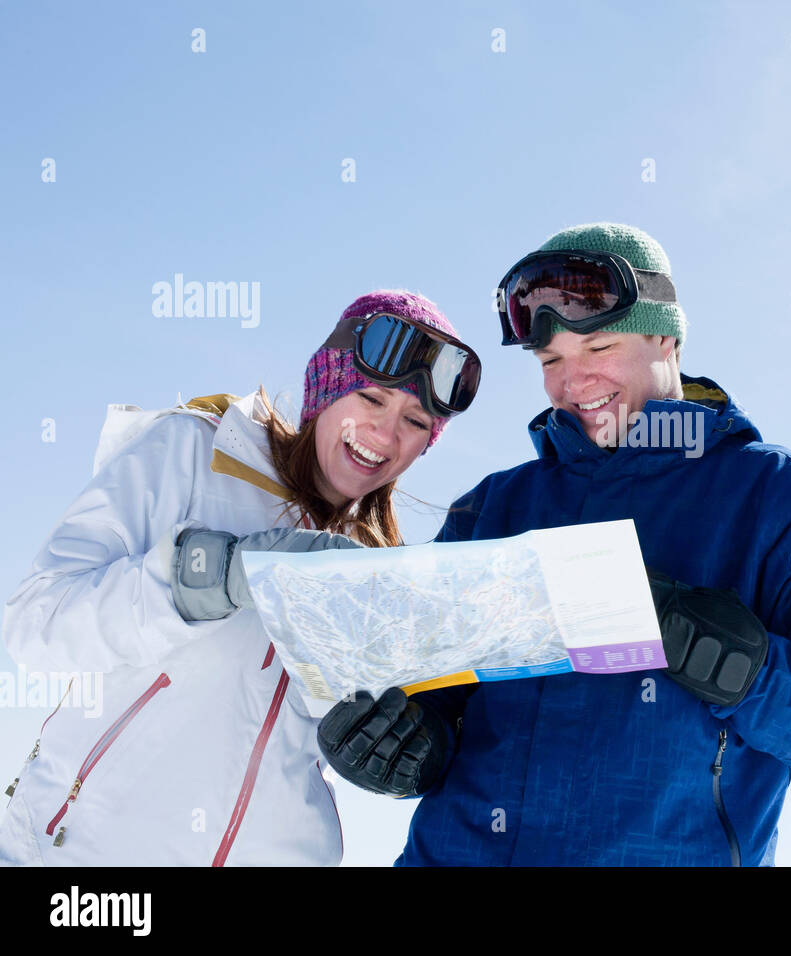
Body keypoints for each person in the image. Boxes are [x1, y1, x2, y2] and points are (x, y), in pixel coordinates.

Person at [318, 224, 791, 866]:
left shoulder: (786, 499)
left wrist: (736, 663)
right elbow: (435, 699)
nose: (575, 382)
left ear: (666, 337)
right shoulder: (493, 507)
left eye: (597, 345)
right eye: (550, 363)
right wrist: (400, 747)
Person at [0, 289, 481, 865]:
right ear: (325, 388)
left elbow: (368, 741)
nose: (384, 435)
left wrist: (397, 751)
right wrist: (215, 574)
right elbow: (33, 627)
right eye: (372, 398)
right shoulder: (192, 450)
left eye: (414, 421)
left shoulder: (373, 572)